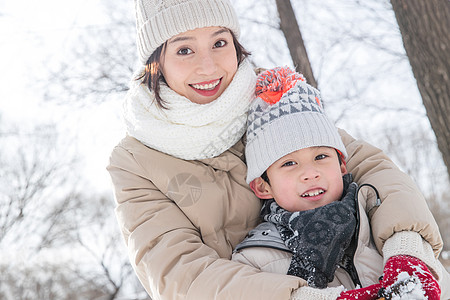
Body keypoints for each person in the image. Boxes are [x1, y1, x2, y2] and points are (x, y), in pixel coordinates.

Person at [106, 0, 448, 299]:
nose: (208, 67)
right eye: (184, 50)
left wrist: (407, 247)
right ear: (155, 61)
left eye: (220, 42)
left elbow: (371, 168)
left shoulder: (274, 96)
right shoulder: (137, 160)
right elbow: (178, 273)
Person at [231, 67, 450, 299]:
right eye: (289, 164)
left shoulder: (377, 217)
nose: (310, 173)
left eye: (320, 157)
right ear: (264, 186)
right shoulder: (253, 259)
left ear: (342, 166)